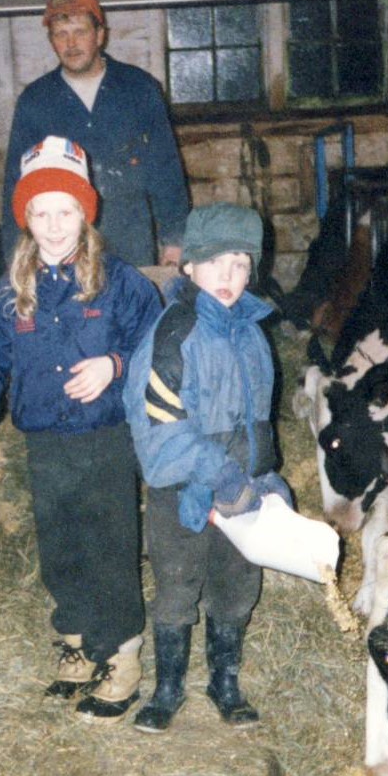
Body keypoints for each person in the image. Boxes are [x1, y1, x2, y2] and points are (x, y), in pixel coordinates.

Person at [0, 135, 163, 722]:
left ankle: (123, 651)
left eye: (66, 210)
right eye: (41, 211)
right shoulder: (9, 297)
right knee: (60, 544)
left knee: (111, 544)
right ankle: (78, 640)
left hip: (107, 439)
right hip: (44, 442)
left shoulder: (122, 283)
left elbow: (161, 347)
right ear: (25, 217)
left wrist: (115, 365)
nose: (55, 225)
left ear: (86, 212)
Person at [122, 202, 287, 734]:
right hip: (183, 489)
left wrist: (266, 476)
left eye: (240, 263)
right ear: (187, 266)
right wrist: (219, 472)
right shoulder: (173, 335)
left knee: (236, 583)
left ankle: (225, 682)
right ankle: (167, 688)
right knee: (176, 585)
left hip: (241, 490)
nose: (228, 276)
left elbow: (261, 417)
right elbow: (160, 431)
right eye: (215, 262)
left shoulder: (252, 333)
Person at [0, 0, 190, 269]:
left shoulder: (139, 88)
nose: (71, 43)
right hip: (62, 240)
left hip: (131, 235)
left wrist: (175, 238)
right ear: (51, 41)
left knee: (130, 309)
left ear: (100, 35)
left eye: (80, 31)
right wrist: (19, 255)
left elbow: (165, 167)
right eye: (61, 34)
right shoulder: (35, 101)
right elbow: (16, 183)